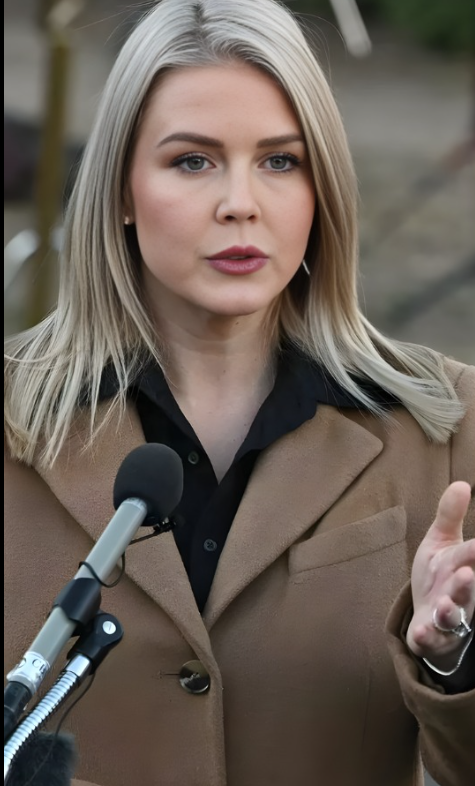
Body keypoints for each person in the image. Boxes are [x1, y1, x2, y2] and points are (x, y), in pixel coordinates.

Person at [4, 1, 474, 784]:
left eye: (280, 162)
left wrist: (454, 662)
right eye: (193, 161)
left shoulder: (446, 424)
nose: (240, 202)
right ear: (120, 190)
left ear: (322, 188)